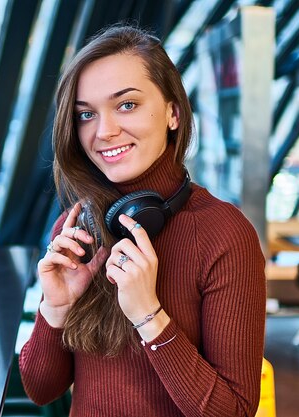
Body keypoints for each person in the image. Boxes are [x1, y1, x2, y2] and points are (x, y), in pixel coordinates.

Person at [19, 24, 266, 417]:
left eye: (127, 105)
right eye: (86, 114)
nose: (104, 131)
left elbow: (233, 411)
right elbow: (40, 389)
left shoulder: (224, 233)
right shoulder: (78, 227)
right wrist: (55, 307)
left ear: (173, 112)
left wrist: (148, 315)